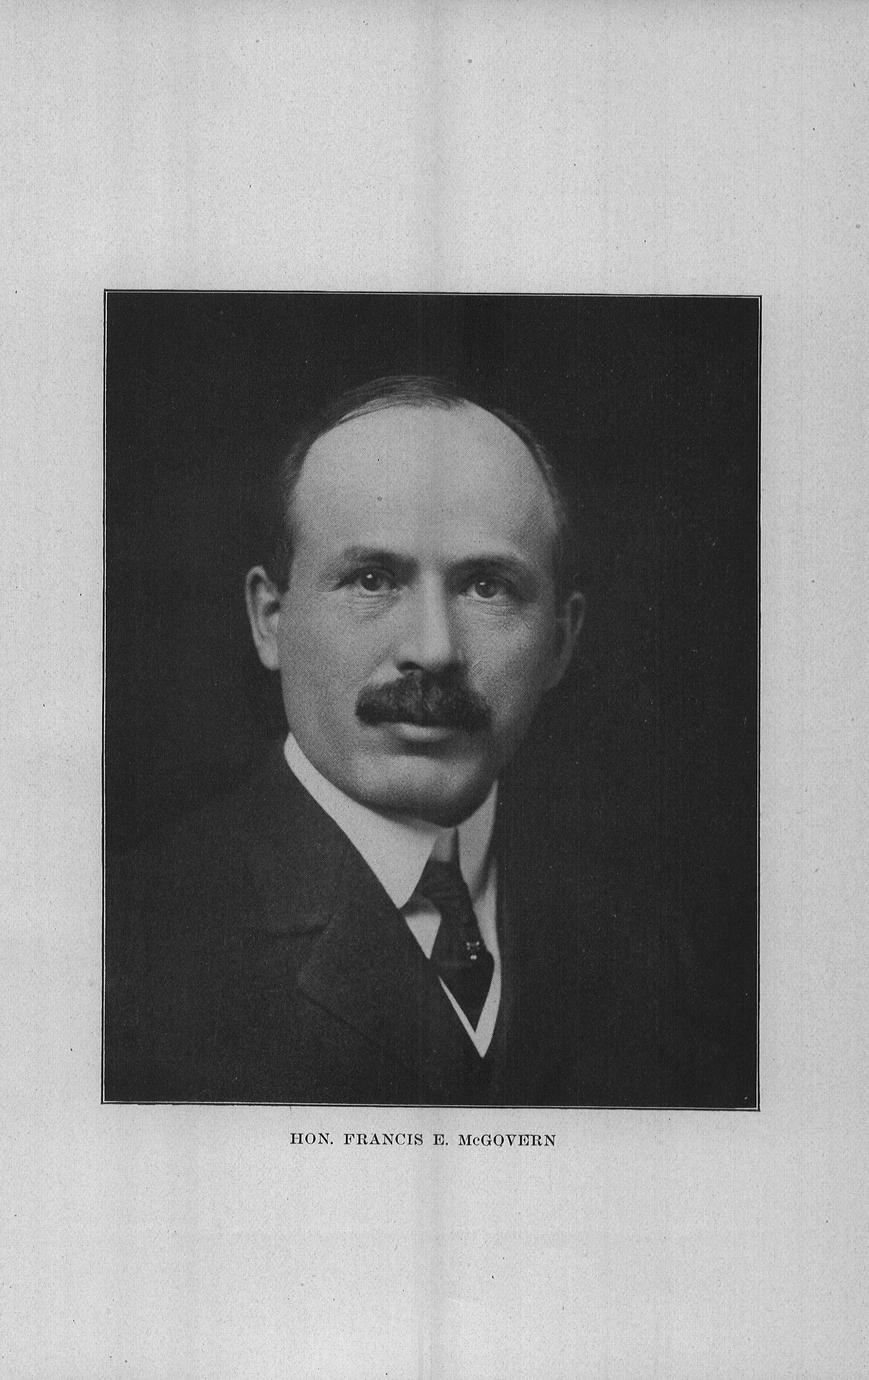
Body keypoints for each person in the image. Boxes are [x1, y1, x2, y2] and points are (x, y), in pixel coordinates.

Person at [105, 375, 735, 1106]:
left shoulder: (647, 939)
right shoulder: (128, 944)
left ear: (561, 642)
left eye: (487, 587)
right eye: (372, 580)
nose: (433, 650)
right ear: (271, 619)